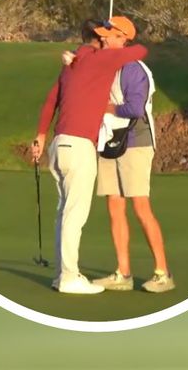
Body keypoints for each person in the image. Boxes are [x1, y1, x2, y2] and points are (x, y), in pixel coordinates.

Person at [32, 17, 148, 294]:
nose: (110, 39)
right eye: (106, 35)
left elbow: (51, 101)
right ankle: (71, 277)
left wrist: (39, 136)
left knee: (63, 213)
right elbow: (140, 51)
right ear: (100, 40)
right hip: (79, 146)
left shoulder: (72, 65)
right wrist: (112, 45)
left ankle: (63, 275)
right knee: (75, 215)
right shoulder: (100, 60)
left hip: (58, 145)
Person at [86, 16, 175, 293]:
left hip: (135, 142)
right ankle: (122, 273)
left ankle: (163, 273)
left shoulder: (134, 70)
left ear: (124, 38)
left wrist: (108, 108)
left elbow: (135, 108)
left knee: (140, 207)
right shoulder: (108, 65)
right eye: (102, 35)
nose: (103, 39)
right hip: (111, 141)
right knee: (114, 205)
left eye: (108, 35)